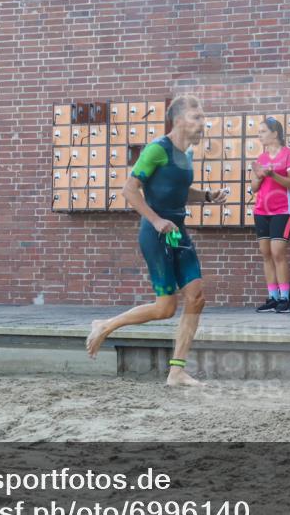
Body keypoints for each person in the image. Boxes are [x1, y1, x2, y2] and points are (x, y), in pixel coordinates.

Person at [85, 95, 228, 385]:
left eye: (203, 117)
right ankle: (106, 325)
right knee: (165, 308)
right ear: (178, 120)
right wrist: (156, 220)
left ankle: (177, 371)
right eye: (196, 117)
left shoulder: (186, 154)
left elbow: (178, 190)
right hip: (155, 233)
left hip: (177, 231)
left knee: (196, 298)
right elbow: (129, 190)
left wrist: (207, 196)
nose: (203, 122)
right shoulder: (157, 149)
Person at [251, 117, 290, 313]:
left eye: (263, 131)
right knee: (266, 254)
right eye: (259, 132)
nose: (259, 135)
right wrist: (260, 176)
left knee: (278, 253)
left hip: (282, 210)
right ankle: (272, 297)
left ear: (275, 133)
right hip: (261, 210)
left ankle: (284, 298)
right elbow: (254, 187)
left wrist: (273, 175)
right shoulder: (261, 158)